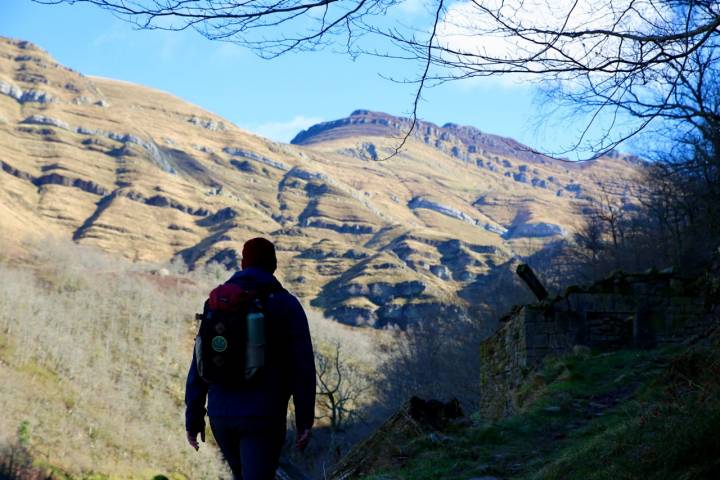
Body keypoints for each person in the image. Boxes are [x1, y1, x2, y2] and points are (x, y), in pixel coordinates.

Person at [185, 237, 316, 479]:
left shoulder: (216, 303)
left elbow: (199, 361)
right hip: (263, 415)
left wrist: (194, 417)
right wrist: (304, 419)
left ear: (243, 264)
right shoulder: (286, 305)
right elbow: (303, 367)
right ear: (274, 265)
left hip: (220, 414)